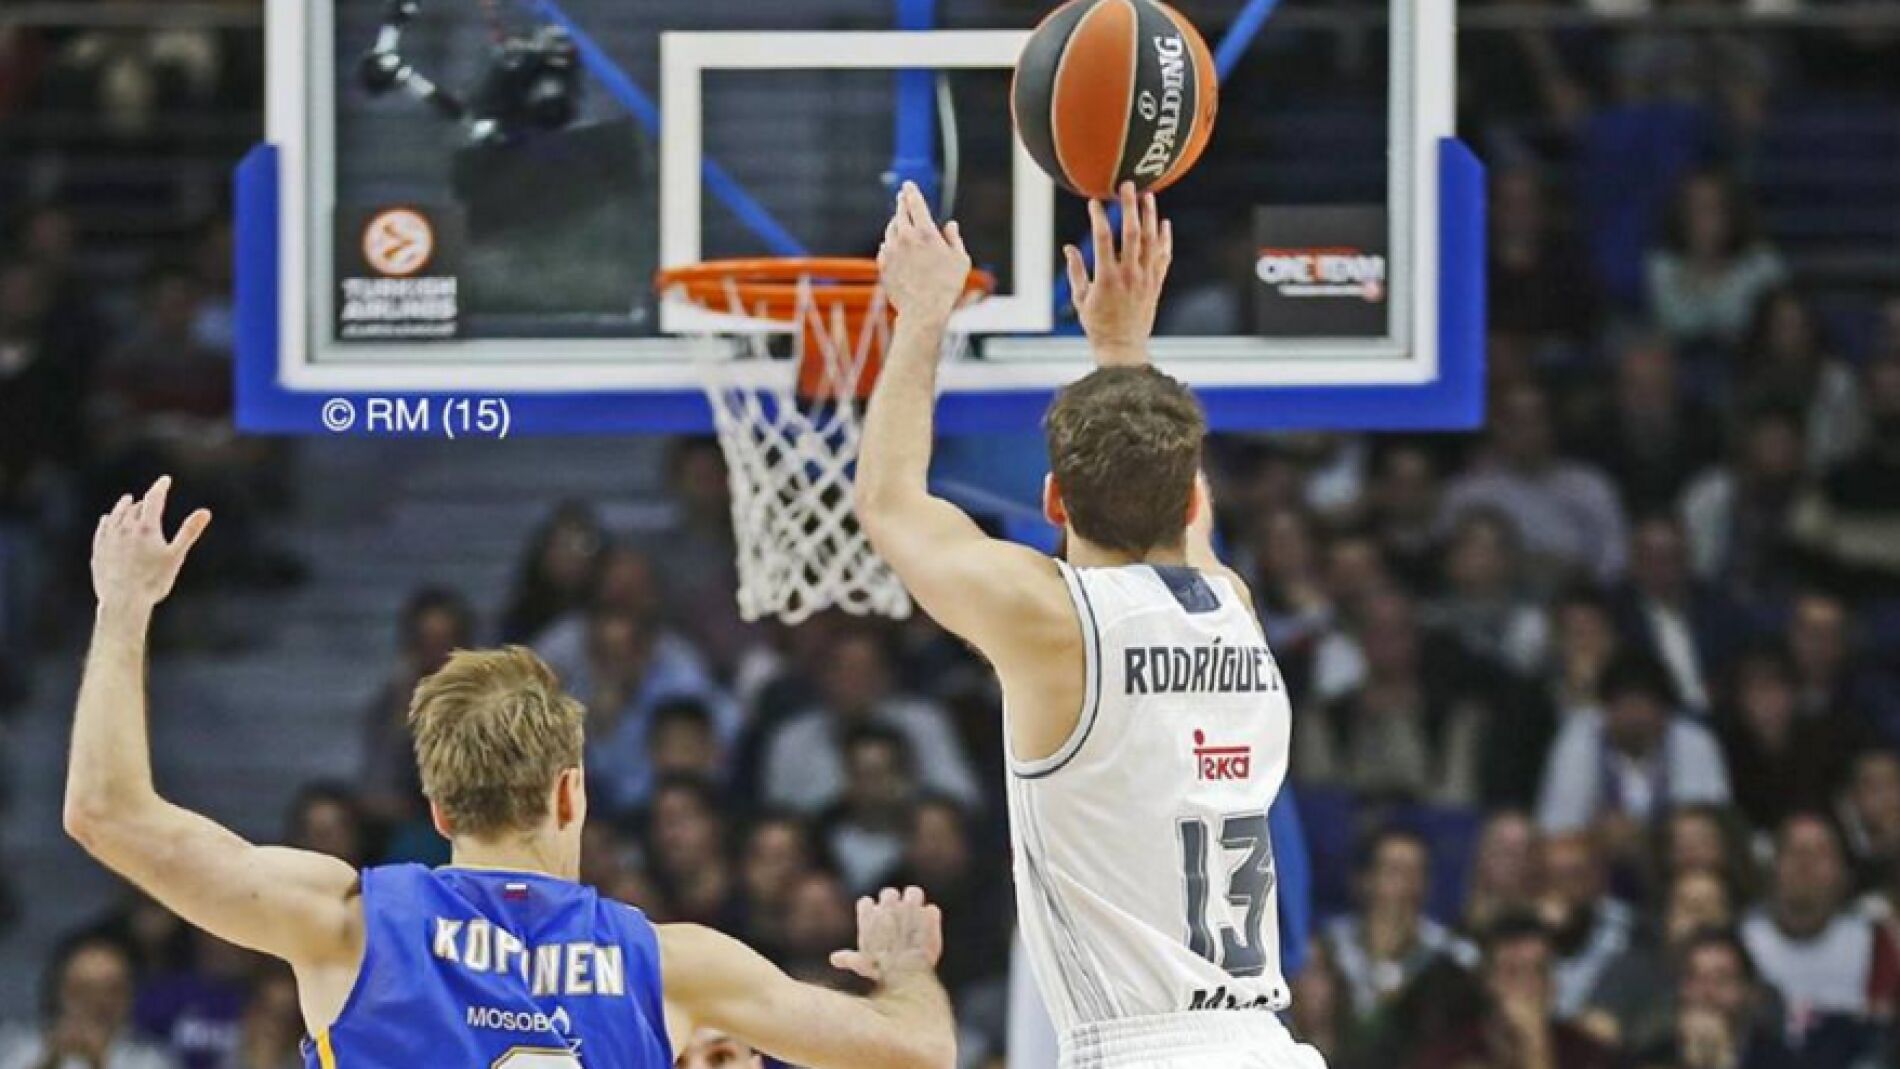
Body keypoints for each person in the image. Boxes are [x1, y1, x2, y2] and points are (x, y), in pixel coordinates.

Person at [63, 477, 958, 1069]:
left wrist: (123, 608)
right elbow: (917, 1051)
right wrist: (904, 967)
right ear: (573, 790)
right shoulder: (673, 963)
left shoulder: (350, 923)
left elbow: (105, 812)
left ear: (440, 805)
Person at [857, 181, 1322, 1066]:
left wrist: (921, 316)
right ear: (1193, 499)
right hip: (1268, 1043)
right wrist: (1122, 349)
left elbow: (889, 503)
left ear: (1050, 499)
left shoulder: (1056, 623)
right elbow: (1180, 515)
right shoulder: (1232, 605)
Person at [0, 933, 176, 1069]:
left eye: (111, 989)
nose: (96, 1000)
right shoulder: (16, 1045)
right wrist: (50, 1060)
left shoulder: (150, 1060)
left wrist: (98, 1062)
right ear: (58, 991)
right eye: (83, 989)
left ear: (129, 995)